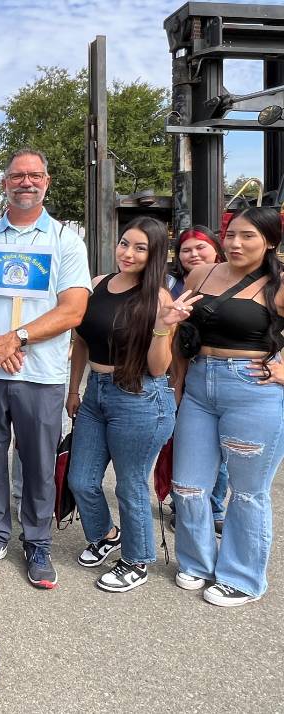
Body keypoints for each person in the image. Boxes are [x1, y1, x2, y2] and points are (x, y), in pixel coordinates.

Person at [0, 148, 91, 589]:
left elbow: (73, 309)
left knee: (38, 462)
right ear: (5, 183)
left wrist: (18, 338)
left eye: (34, 175)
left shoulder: (65, 240)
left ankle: (39, 540)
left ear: (46, 182)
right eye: (17, 176)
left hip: (40, 374)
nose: (26, 182)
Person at [66, 217, 199, 592]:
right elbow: (80, 343)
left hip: (140, 396)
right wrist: (74, 390)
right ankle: (107, 533)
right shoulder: (97, 285)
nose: (128, 253)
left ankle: (136, 559)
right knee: (81, 480)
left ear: (154, 253)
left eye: (140, 247)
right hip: (96, 394)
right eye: (125, 243)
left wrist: (162, 326)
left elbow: (160, 368)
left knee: (130, 485)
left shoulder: (159, 298)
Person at [172, 206, 284, 607]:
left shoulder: (277, 284)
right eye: (231, 234)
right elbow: (186, 332)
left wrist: (282, 369)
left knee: (248, 492)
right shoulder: (201, 274)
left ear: (269, 241)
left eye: (248, 236)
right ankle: (197, 561)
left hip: (251, 389)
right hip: (199, 384)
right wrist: (179, 383)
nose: (236, 243)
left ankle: (242, 576)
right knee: (187, 485)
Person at [165, 225, 229, 532]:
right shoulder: (169, 285)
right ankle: (181, 504)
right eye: (186, 249)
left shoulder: (235, 281)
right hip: (178, 374)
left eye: (200, 247)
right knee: (184, 446)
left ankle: (215, 507)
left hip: (221, 372)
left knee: (223, 450)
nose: (193, 254)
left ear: (216, 248)